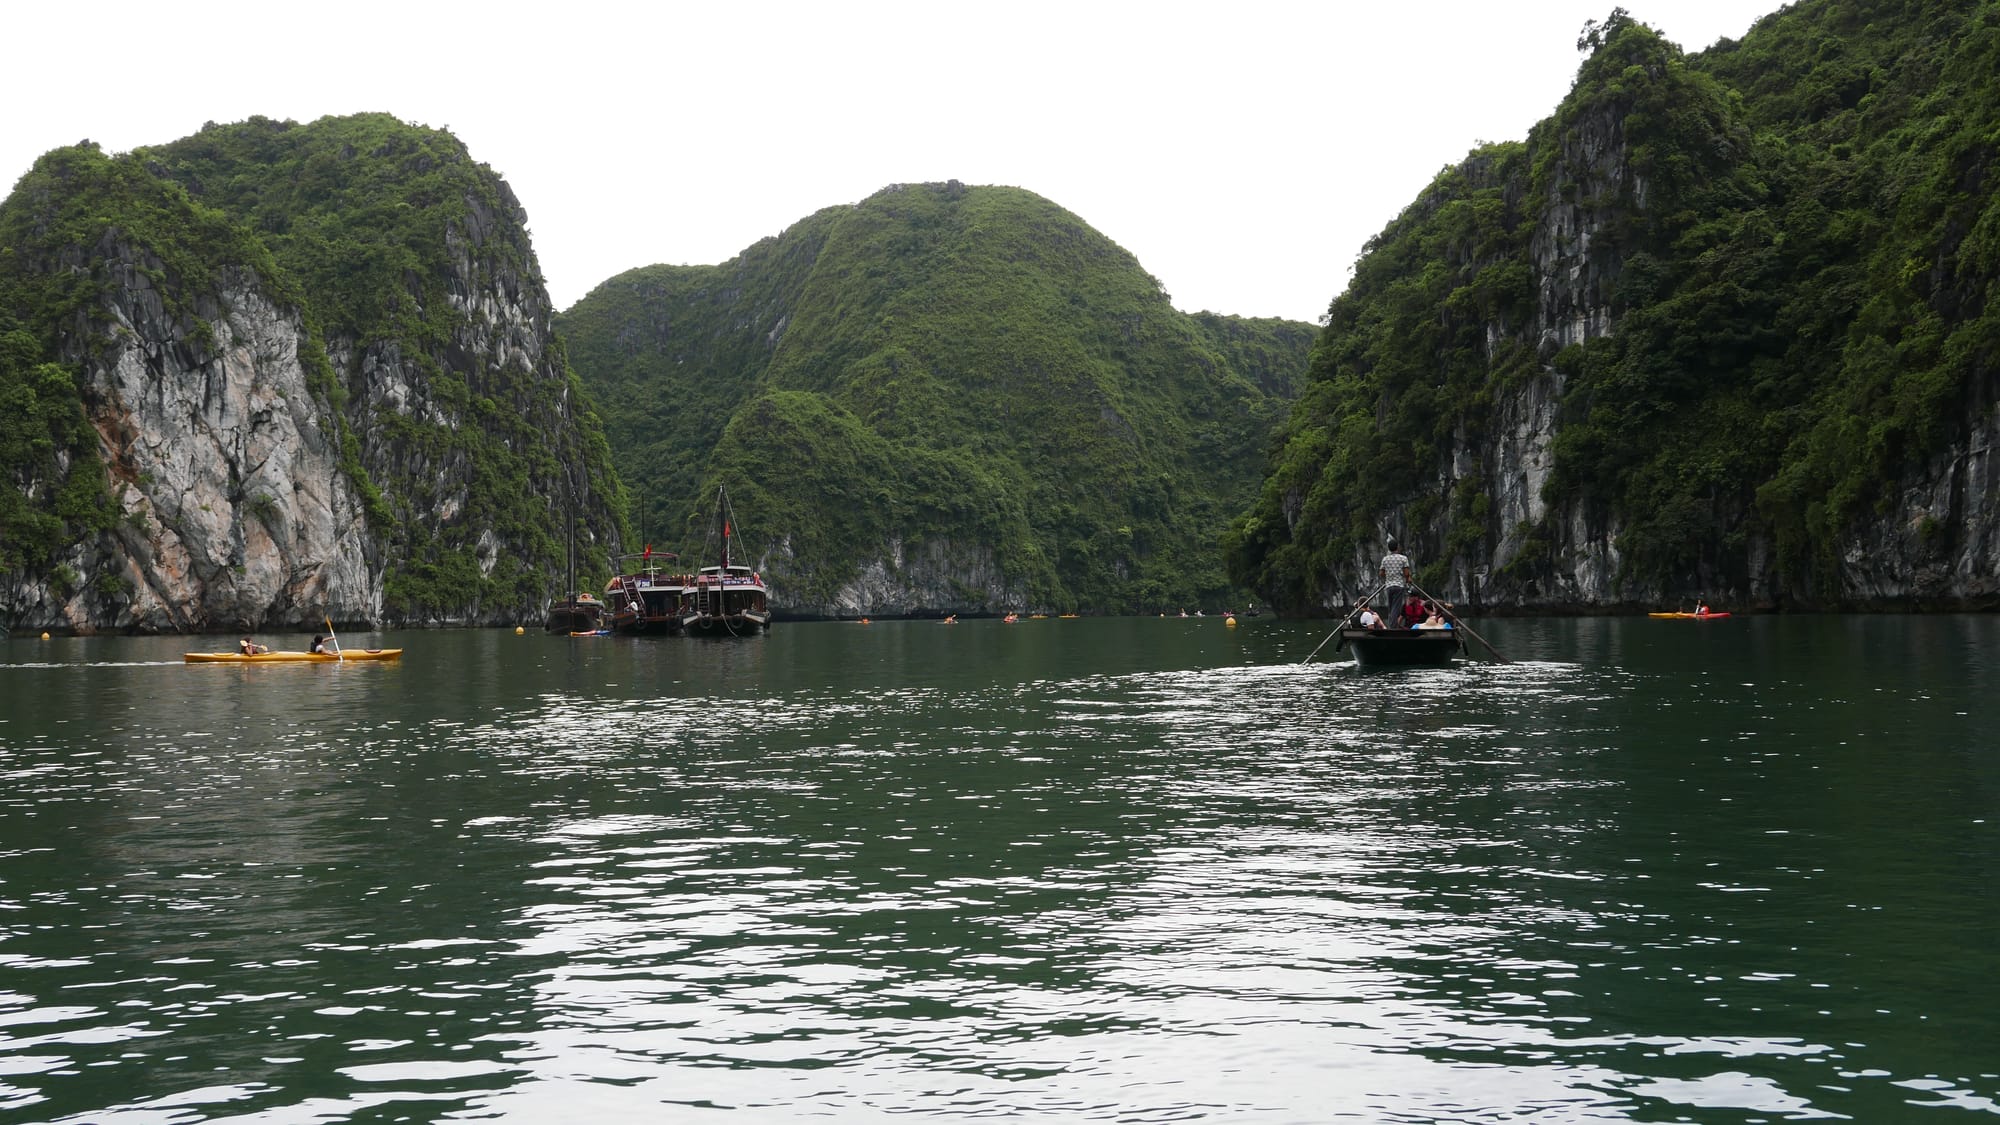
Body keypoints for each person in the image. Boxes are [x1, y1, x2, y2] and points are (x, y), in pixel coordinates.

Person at [1379, 538, 1413, 627]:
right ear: (1397, 547)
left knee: (1391, 607)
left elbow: (1381, 573)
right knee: (1396, 608)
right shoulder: (1403, 558)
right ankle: (1393, 627)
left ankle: (1393, 625)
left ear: (1389, 548)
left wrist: (1390, 574)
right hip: (1399, 585)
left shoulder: (1385, 559)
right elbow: (1406, 573)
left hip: (1389, 586)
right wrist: (1408, 578)